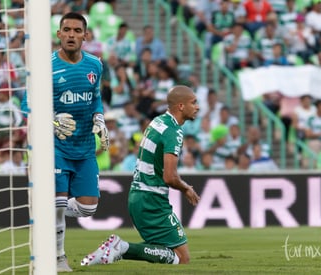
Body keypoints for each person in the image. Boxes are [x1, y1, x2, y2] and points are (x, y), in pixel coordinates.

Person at [21, 12, 108, 272]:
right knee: (58, 202)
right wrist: (51, 121)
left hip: (84, 148)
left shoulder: (95, 65)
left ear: (85, 35)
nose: (71, 34)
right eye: (66, 30)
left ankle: (46, 211)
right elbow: (27, 105)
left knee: (87, 208)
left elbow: (95, 98)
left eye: (77, 30)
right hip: (54, 147)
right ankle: (58, 257)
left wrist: (100, 119)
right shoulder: (45, 66)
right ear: (58, 34)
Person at [81, 85, 200, 266]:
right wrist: (186, 188)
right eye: (194, 103)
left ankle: (114, 249)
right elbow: (170, 176)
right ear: (181, 106)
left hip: (138, 195)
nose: (197, 107)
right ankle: (120, 247)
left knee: (164, 250)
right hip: (152, 199)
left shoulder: (157, 121)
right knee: (182, 258)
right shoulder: (173, 131)